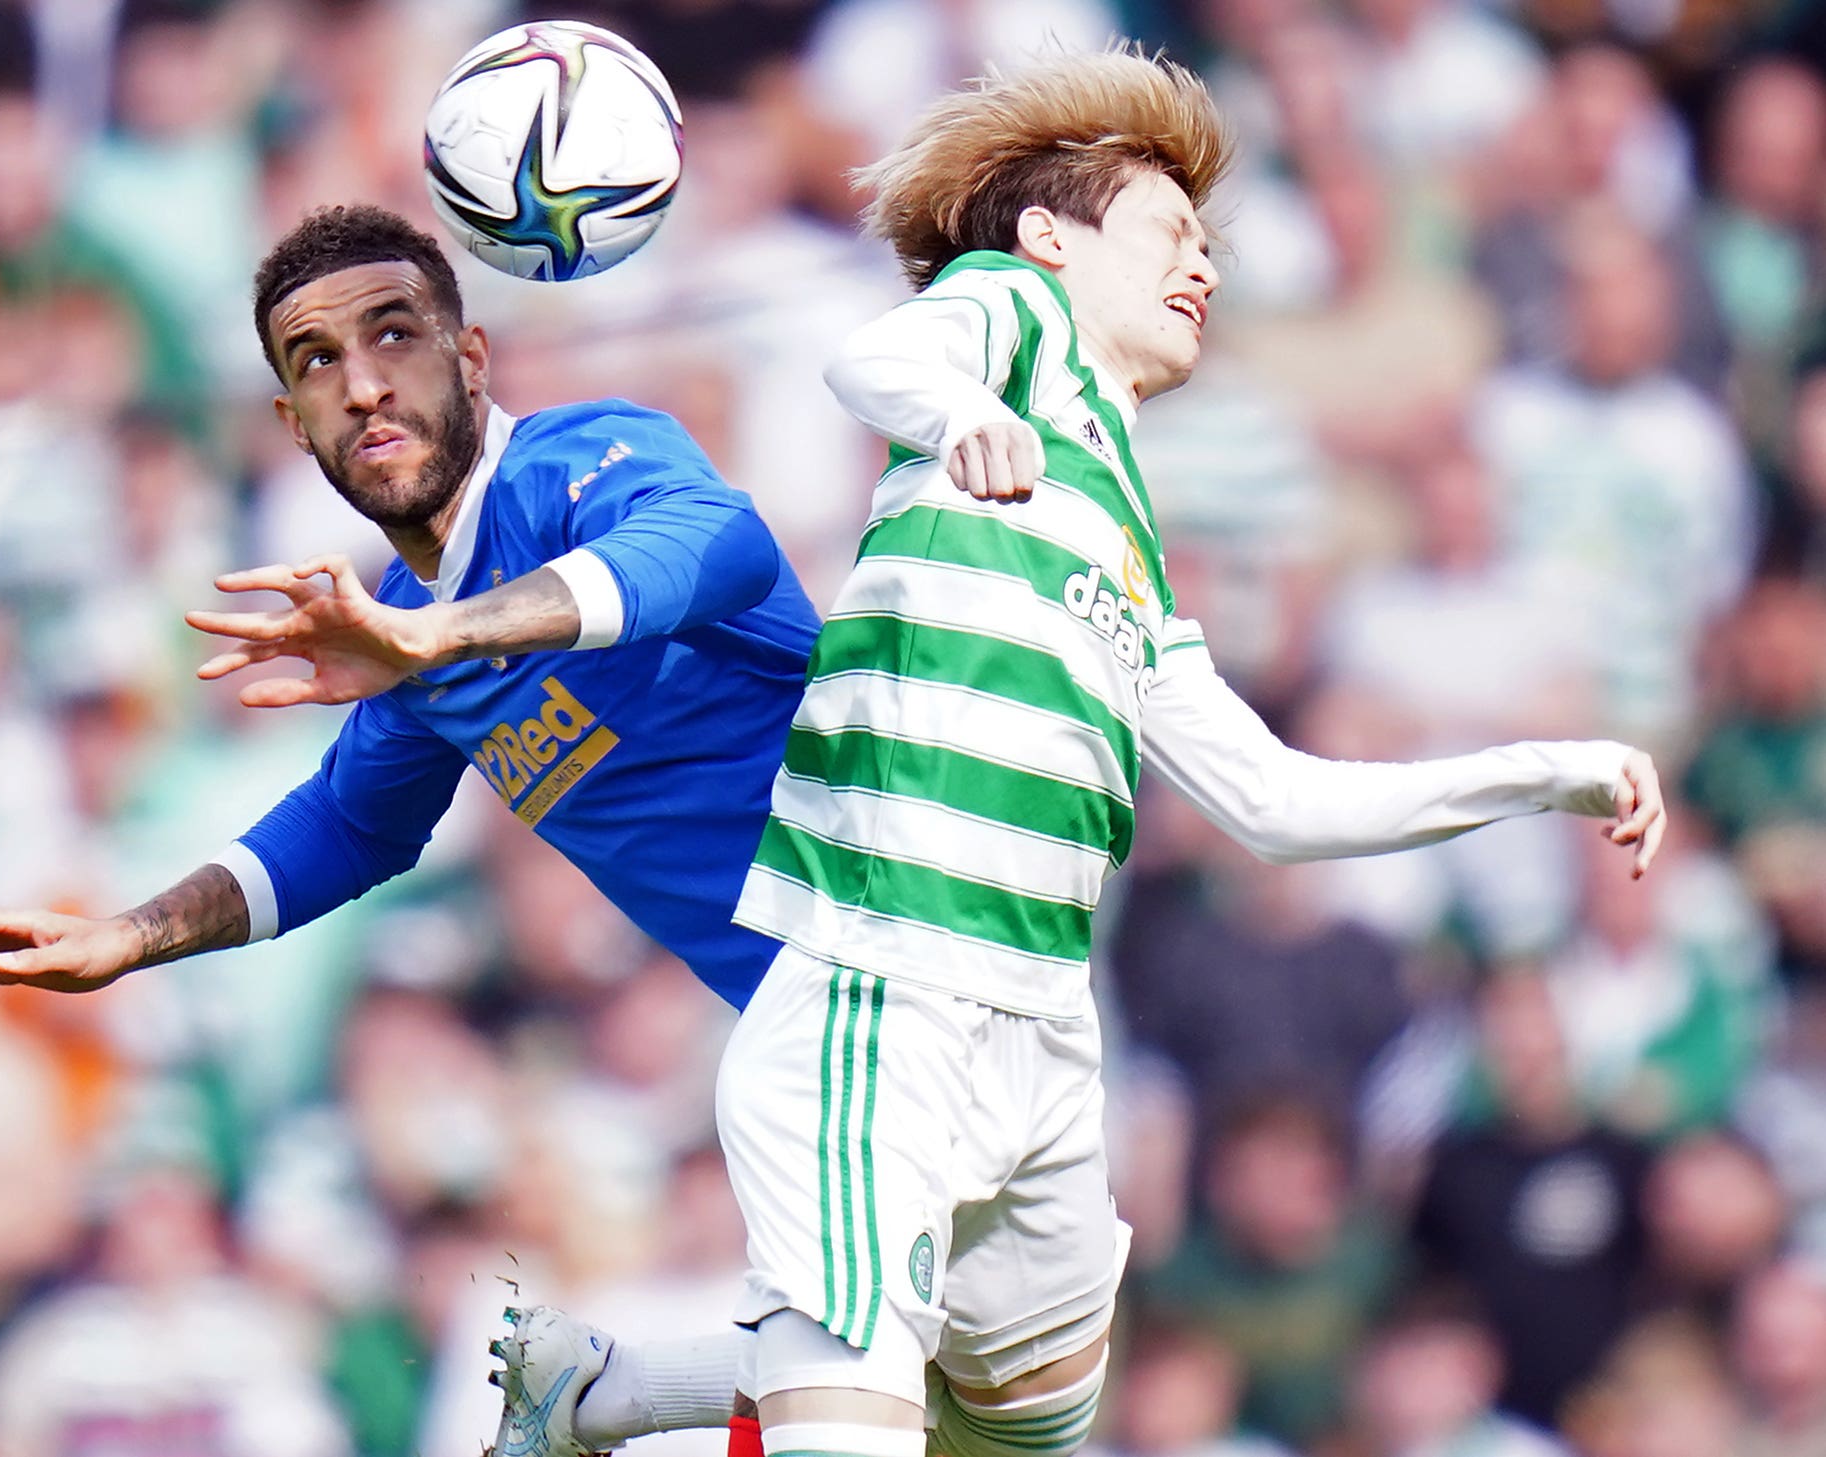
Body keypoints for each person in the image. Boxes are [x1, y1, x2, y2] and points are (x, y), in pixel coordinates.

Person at [502, 48, 1667, 1457]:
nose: (1205, 272)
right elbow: (869, 357)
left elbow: (1275, 800)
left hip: (1045, 1043)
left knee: (1015, 1426)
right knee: (855, 1423)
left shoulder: (1122, 541)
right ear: (1053, 238)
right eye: (1172, 235)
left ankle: (603, 1393)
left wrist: (1542, 773)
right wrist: (960, 413)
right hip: (892, 987)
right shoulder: (1012, 318)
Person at [0, 202, 821, 1028]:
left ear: (471, 360)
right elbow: (353, 824)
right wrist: (130, 936)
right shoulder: (406, 623)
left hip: (901, 928)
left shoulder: (566, 463)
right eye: (318, 361)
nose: (364, 386)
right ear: (294, 422)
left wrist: (445, 634)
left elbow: (721, 548)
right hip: (819, 1007)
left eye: (394, 336)